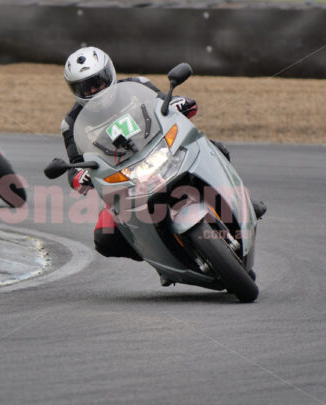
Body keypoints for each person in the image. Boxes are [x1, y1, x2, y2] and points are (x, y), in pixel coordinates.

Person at [61, 46, 267, 278]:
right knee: (105, 237)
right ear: (75, 90)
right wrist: (79, 175)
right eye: (86, 87)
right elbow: (75, 164)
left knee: (213, 147)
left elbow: (163, 104)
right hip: (124, 176)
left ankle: (242, 201)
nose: (95, 89)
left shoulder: (136, 86)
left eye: (98, 81)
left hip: (161, 150)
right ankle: (159, 256)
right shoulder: (72, 123)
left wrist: (179, 103)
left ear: (110, 74)